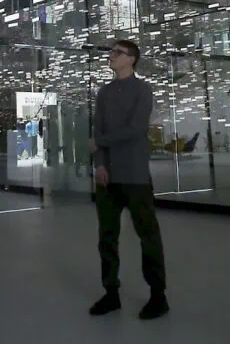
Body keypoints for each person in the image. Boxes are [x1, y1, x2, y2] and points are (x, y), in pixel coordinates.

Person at [88, 39, 168, 321]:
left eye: (117, 53)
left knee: (148, 235)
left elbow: (135, 129)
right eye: (111, 51)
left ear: (131, 59)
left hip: (134, 175)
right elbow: (96, 128)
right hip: (107, 177)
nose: (111, 56)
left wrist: (100, 143)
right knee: (107, 236)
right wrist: (99, 163)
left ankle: (158, 295)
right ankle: (111, 293)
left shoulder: (142, 90)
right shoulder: (104, 93)